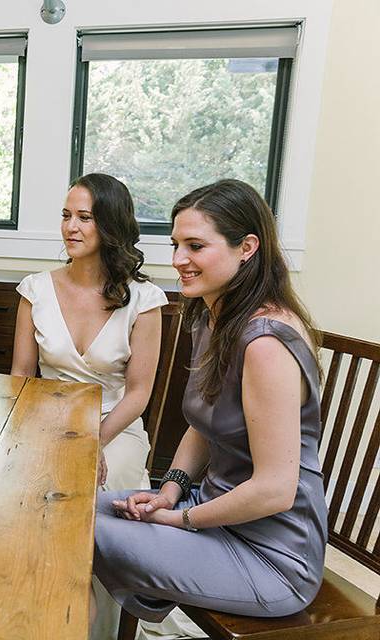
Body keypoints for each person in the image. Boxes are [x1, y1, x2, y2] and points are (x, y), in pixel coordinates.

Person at [92, 179, 327, 636]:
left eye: (195, 245)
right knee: (69, 507)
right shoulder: (211, 314)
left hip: (273, 555)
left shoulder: (265, 341)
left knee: (76, 532)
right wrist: (170, 491)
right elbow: (202, 426)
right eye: (176, 244)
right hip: (212, 511)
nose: (179, 259)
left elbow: (276, 489)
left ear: (247, 247)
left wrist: (179, 520)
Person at [11, 173, 165, 493]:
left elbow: (138, 393)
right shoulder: (35, 290)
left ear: (111, 225)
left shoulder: (144, 300)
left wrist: (95, 441)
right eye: (66, 216)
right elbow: (21, 375)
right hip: (46, 421)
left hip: (114, 427)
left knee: (86, 485)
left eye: (85, 218)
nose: (71, 227)